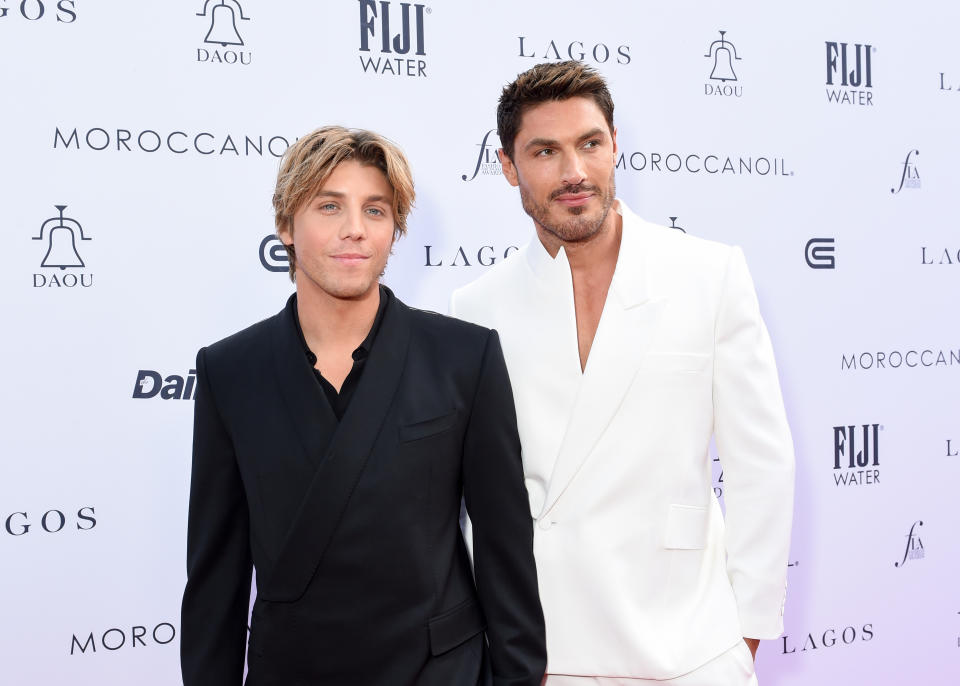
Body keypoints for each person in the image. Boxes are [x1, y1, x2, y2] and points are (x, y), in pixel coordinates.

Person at [451, 61, 795, 685]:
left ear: (615, 146)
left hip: (690, 647)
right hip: (543, 651)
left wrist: (744, 637)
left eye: (590, 144)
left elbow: (761, 465)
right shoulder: (475, 310)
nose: (574, 172)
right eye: (545, 151)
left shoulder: (708, 275)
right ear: (508, 168)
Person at [181, 126, 546, 686]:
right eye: (330, 206)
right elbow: (215, 579)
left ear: (394, 231)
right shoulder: (231, 371)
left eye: (375, 211)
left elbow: (505, 546)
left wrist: (519, 676)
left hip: (440, 671)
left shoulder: (464, 357)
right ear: (285, 226)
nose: (355, 230)